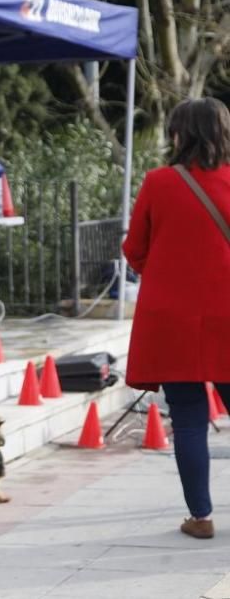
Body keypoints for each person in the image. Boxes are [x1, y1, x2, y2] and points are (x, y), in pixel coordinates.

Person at [123, 97, 230, 540]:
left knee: (187, 417)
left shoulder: (160, 181)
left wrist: (168, 271)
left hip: (172, 318)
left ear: (178, 134)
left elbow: (134, 250)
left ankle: (200, 517)